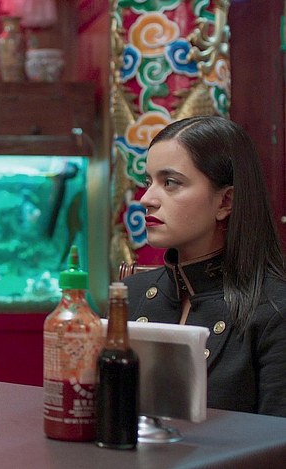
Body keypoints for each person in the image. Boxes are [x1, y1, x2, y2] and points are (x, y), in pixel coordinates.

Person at [123, 115, 286, 417]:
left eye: (170, 183)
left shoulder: (275, 308)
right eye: (148, 182)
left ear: (226, 201)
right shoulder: (127, 295)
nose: (147, 199)